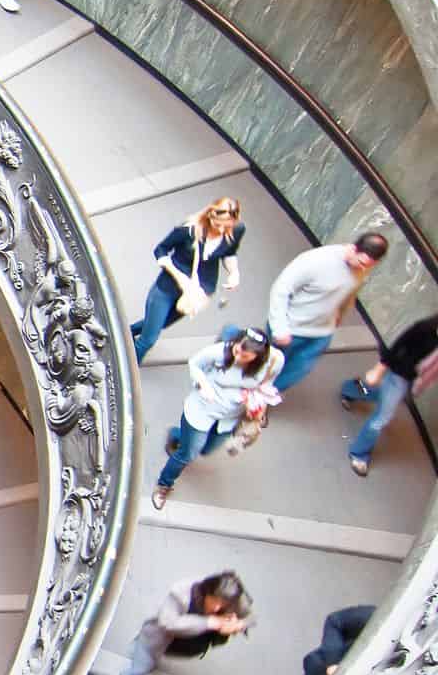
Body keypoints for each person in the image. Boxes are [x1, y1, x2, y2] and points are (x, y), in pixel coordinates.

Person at [89, 571, 250, 675]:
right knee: (137, 669)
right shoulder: (181, 593)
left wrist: (237, 625)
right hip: (157, 641)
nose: (216, 607)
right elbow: (167, 623)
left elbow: (247, 615)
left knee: (152, 661)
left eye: (221, 604)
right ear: (207, 591)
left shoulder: (232, 602)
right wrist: (211, 622)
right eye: (214, 601)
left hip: (189, 644)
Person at [151, 326, 283, 510]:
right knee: (188, 454)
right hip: (202, 411)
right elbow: (195, 363)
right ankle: (164, 484)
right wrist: (203, 384)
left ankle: (178, 436)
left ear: (258, 357)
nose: (238, 357)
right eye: (237, 350)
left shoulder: (274, 361)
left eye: (245, 356)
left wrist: (258, 402)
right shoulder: (219, 353)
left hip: (229, 417)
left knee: (207, 449)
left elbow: (267, 382)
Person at [267, 233, 389, 392]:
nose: (363, 269)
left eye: (369, 266)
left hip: (321, 333)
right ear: (353, 249)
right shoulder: (316, 261)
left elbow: (350, 292)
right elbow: (281, 290)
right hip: (292, 327)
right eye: (362, 262)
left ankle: (264, 398)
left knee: (297, 371)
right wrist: (279, 328)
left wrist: (340, 315)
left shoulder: (362, 268)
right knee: (268, 367)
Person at [129, 197, 246, 359]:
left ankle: (127, 331)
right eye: (217, 225)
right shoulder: (189, 230)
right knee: (148, 340)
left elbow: (229, 252)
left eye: (226, 227)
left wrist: (234, 273)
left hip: (195, 293)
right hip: (167, 287)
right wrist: (180, 277)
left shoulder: (237, 230)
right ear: (210, 215)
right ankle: (131, 366)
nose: (220, 230)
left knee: (161, 323)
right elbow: (160, 250)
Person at [340, 313, 438, 477]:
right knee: (382, 418)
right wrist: (380, 368)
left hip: (409, 380)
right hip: (398, 375)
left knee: (377, 394)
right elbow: (399, 345)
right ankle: (359, 454)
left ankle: (350, 389)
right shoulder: (424, 329)